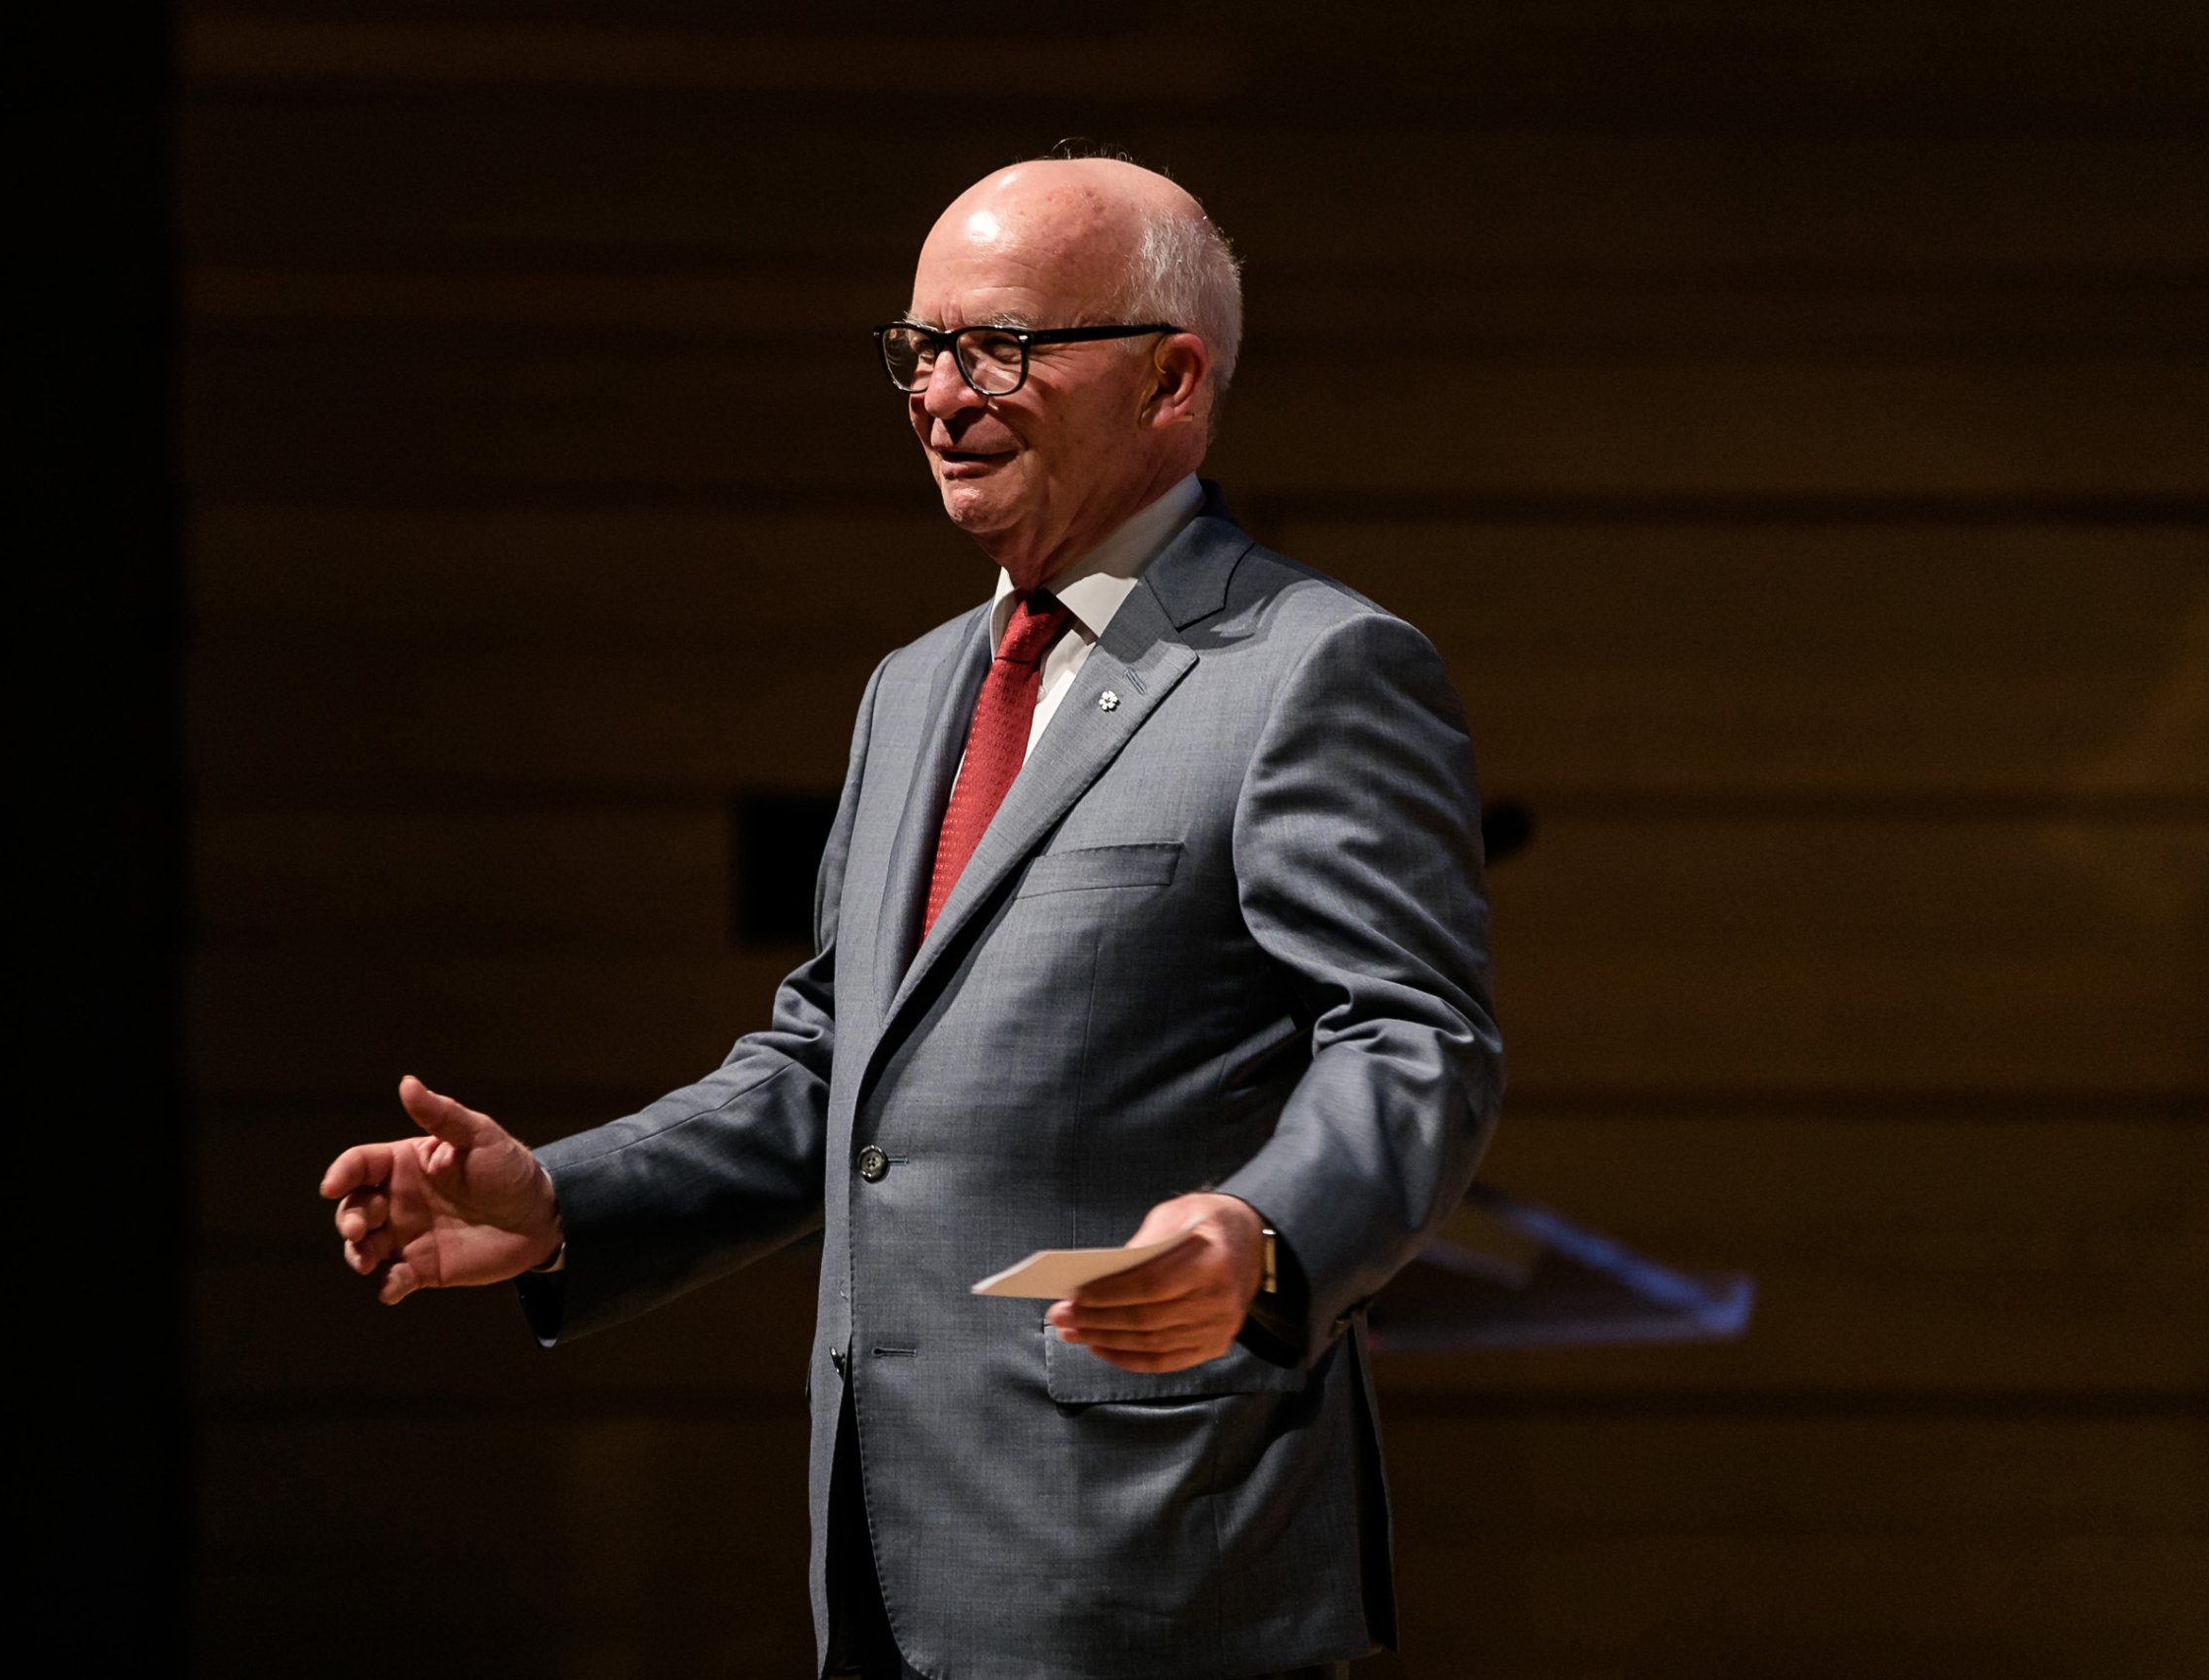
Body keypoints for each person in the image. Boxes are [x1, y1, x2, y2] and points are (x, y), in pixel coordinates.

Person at [322, 154, 1501, 1680]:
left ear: (1171, 376)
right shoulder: (914, 688)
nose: (941, 394)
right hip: (885, 1563)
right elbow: (833, 1069)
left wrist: (1264, 1239)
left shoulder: (1315, 671)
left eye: (1000, 344)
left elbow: (1415, 1045)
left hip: (1155, 1569)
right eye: (919, 348)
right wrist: (565, 1201)